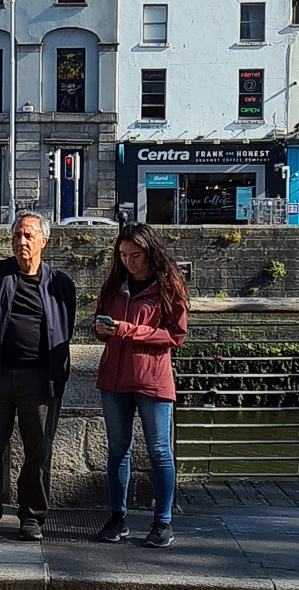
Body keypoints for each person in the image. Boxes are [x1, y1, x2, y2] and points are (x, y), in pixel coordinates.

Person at [0, 211, 76, 543]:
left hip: (40, 379)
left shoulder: (60, 283)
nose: (21, 242)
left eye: (29, 236)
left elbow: (66, 326)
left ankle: (32, 517)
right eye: (16, 235)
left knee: (38, 451)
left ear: (44, 240)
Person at [94, 223, 188, 549]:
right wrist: (102, 329)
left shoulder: (168, 285)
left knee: (159, 451)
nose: (129, 261)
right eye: (122, 255)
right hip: (114, 378)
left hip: (151, 379)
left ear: (150, 251)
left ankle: (163, 522)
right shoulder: (114, 284)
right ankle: (117, 517)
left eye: (135, 255)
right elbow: (100, 322)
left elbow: (174, 336)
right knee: (118, 450)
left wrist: (127, 330)